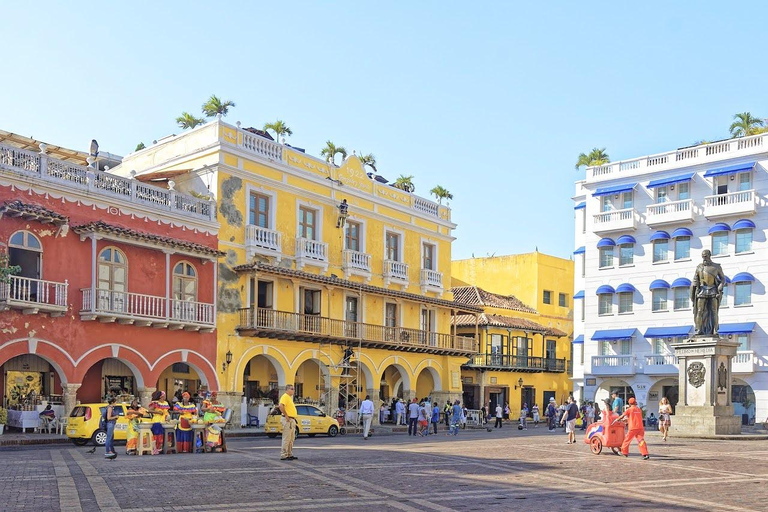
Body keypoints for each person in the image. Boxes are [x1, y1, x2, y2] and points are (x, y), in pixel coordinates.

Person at [691, 249, 725, 336]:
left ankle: (715, 329)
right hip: (702, 290)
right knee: (699, 310)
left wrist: (720, 286)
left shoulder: (716, 267)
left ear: (709, 255)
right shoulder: (699, 267)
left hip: (713, 290)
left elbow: (722, 279)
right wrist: (694, 288)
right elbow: (695, 279)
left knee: (714, 311)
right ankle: (698, 329)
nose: (704, 258)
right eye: (703, 256)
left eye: (705, 256)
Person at [278, 385, 298, 460]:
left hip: (291, 419)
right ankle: (284, 454)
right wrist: (286, 416)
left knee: (291, 438)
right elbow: (281, 406)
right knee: (286, 438)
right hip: (288, 419)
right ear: (287, 389)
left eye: (294, 389)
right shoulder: (285, 396)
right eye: (292, 389)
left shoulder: (289, 398)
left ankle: (289, 454)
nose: (293, 390)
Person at [147, 391, 170, 455]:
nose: (165, 397)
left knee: (165, 434)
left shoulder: (166, 403)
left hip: (164, 420)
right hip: (157, 420)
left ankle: (163, 447)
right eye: (164, 395)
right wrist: (158, 412)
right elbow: (149, 410)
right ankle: (156, 448)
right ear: (161, 396)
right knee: (157, 434)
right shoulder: (155, 403)